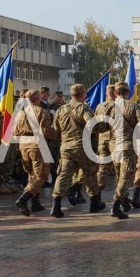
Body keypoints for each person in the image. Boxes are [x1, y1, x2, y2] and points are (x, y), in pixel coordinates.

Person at [49, 83, 103, 218]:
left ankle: (56, 206)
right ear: (82, 94)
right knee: (91, 172)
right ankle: (94, 203)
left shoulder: (61, 109)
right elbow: (92, 125)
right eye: (85, 93)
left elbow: (55, 129)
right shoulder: (83, 108)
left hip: (66, 147)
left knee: (63, 175)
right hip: (82, 147)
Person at [13, 89, 56, 216]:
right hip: (37, 145)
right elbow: (46, 131)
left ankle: (35, 203)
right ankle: (23, 199)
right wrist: (56, 133)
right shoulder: (41, 111)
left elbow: (14, 132)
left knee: (31, 174)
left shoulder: (20, 114)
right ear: (37, 99)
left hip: (23, 146)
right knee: (41, 175)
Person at [107, 81, 140, 218]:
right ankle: (116, 205)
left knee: (119, 177)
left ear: (115, 93)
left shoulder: (108, 107)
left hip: (113, 146)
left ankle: (124, 202)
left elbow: (101, 127)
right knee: (125, 178)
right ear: (128, 92)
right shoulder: (134, 106)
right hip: (127, 147)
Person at [96, 85, 117, 192]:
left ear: (106, 94)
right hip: (114, 139)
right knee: (118, 167)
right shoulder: (118, 105)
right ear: (115, 93)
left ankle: (97, 193)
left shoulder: (99, 106)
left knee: (102, 167)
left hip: (102, 139)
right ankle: (120, 196)